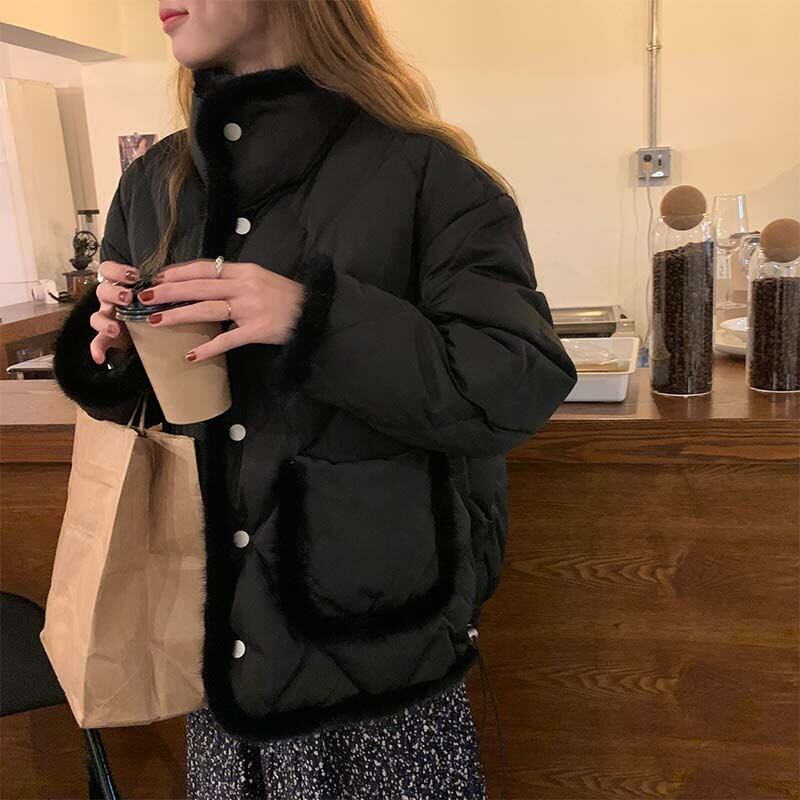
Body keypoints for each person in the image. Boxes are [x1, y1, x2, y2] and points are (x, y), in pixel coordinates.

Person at [51, 1, 578, 798]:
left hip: (376, 663)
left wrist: (313, 317)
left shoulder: (429, 174)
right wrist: (114, 350)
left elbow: (515, 382)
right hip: (217, 659)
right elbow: (166, 412)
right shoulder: (157, 182)